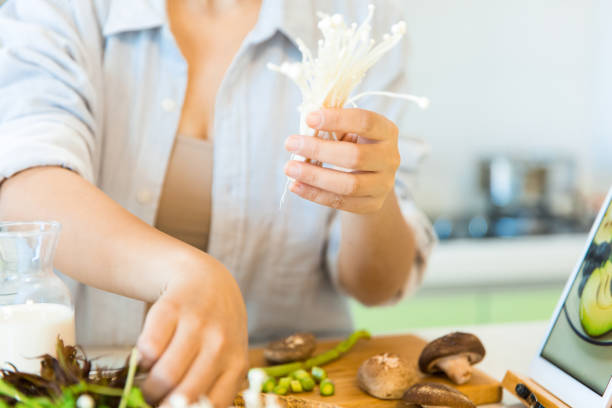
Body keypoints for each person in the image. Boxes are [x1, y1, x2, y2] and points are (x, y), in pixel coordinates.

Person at [0, 0, 435, 406]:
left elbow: (376, 285)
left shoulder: (359, 19)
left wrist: (370, 194)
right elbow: (25, 182)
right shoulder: (69, 9)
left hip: (275, 390)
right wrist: (187, 272)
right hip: (86, 384)